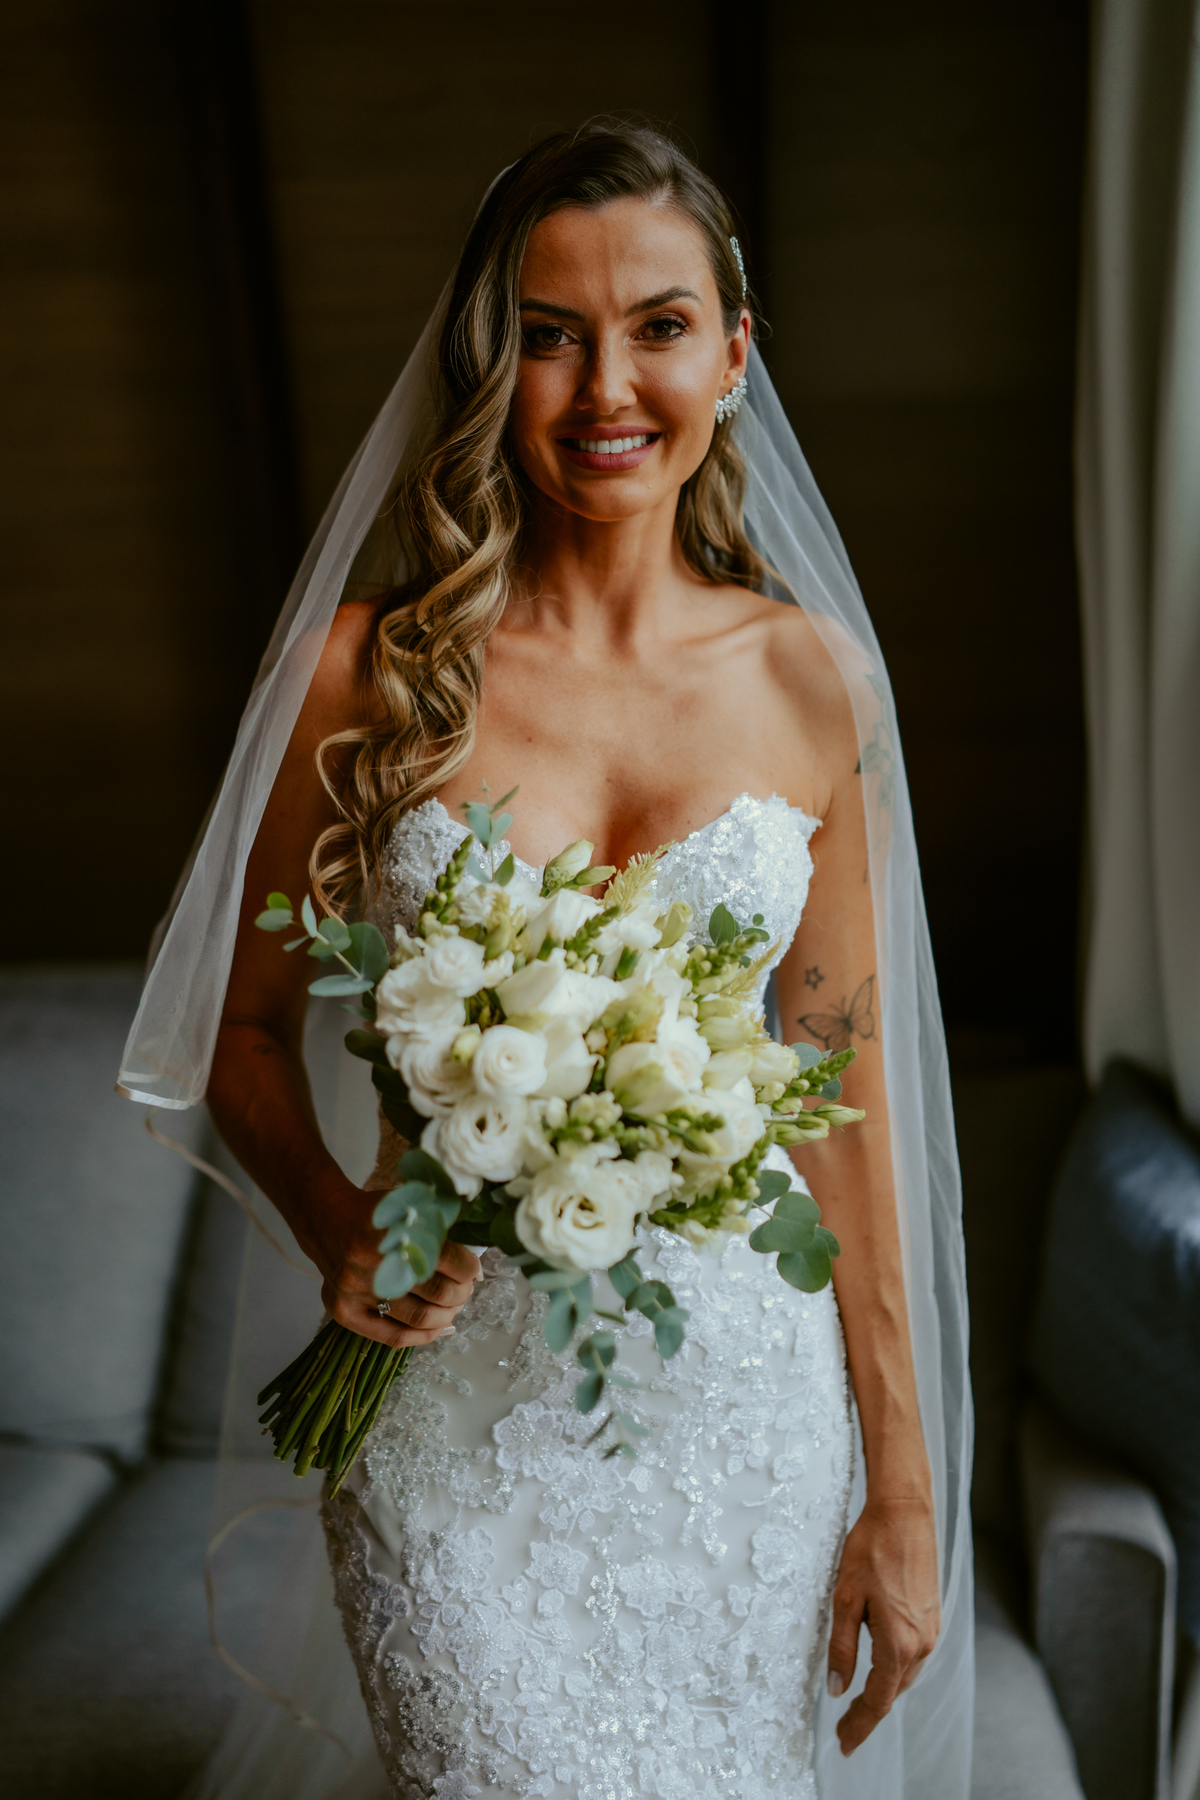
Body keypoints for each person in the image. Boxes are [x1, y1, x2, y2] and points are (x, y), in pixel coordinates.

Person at [124, 122, 972, 1800]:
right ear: (486, 365)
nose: (607, 389)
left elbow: (845, 1094)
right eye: (548, 333)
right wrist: (340, 1229)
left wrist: (902, 1489)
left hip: (741, 1422)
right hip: (448, 1428)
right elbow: (240, 1034)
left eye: (658, 325)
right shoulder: (362, 676)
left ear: (734, 353)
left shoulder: (816, 687)